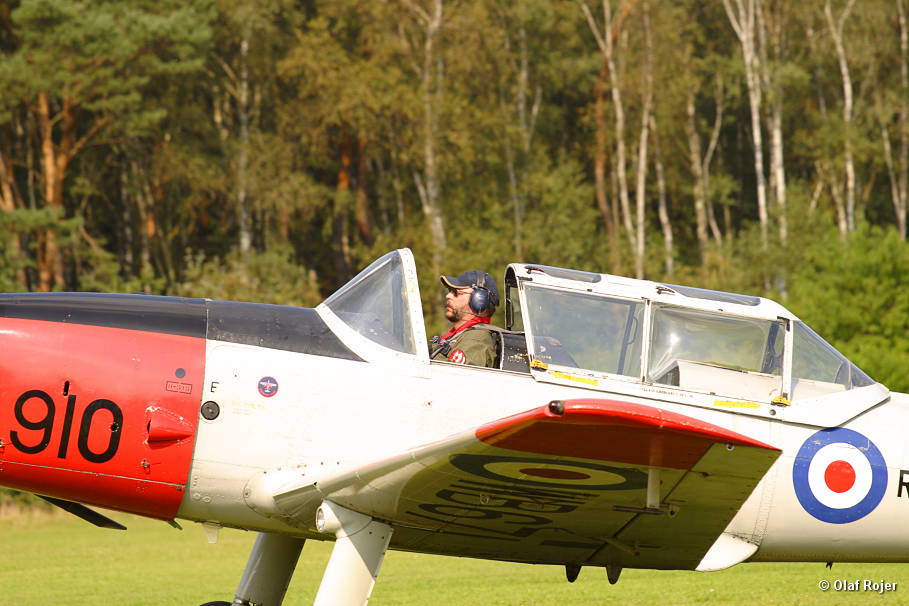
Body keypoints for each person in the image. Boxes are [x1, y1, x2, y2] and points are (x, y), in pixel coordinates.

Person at [429, 269, 500, 367]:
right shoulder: (458, 336)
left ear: (479, 301)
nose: (448, 295)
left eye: (456, 292)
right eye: (450, 291)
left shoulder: (475, 340)